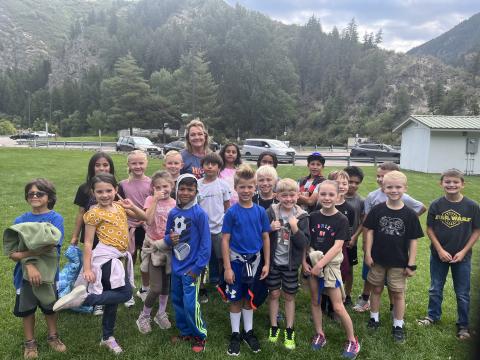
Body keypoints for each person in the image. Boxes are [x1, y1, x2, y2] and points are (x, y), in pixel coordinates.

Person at [53, 173, 147, 354]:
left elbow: (146, 218)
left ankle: (107, 337)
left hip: (117, 259)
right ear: (93, 193)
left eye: (108, 190)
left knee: (112, 300)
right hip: (106, 260)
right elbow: (88, 242)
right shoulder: (93, 213)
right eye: (99, 192)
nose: (104, 195)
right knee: (126, 292)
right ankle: (85, 299)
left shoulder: (120, 207)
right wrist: (87, 268)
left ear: (116, 190)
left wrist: (131, 206)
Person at [353, 161, 426, 313]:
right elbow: (367, 221)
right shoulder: (373, 196)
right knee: (372, 276)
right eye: (378, 176)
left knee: (394, 281)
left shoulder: (403, 196)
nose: (380, 179)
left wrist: (406, 222)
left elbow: (420, 208)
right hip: (375, 245)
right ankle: (365, 299)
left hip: (396, 249)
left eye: (383, 176)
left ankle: (395, 307)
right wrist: (366, 241)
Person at [417, 169, 480, 340]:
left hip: (462, 257)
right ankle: (432, 316)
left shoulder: (472, 206)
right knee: (435, 288)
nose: (451, 185)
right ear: (441, 183)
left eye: (455, 182)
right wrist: (440, 250)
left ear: (462, 184)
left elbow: (476, 230)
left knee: (462, 292)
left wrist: (463, 251)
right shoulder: (436, 205)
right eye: (447, 182)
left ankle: (463, 325)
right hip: (439, 255)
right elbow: (429, 229)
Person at [7, 179, 66, 359]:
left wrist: (24, 254)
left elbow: (52, 246)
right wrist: (30, 264)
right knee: (27, 309)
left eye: (39, 193)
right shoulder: (21, 220)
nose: (34, 196)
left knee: (50, 307)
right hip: (24, 276)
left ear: (49, 197)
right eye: (30, 193)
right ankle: (30, 342)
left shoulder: (55, 219)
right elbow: (12, 252)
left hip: (48, 275)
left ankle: (53, 337)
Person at [363, 171, 424, 343]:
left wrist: (411, 263)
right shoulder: (377, 210)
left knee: (398, 293)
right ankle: (374, 318)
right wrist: (368, 253)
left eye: (398, 187)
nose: (394, 190)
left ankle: (398, 324)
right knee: (376, 289)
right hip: (377, 260)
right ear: (383, 188)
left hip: (399, 262)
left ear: (405, 188)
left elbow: (413, 240)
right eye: (389, 187)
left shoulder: (410, 214)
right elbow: (370, 233)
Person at [304, 180, 360, 359]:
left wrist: (321, 264)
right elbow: (306, 241)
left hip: (330, 267)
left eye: (331, 195)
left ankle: (352, 340)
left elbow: (337, 246)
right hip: (313, 264)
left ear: (338, 196)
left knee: (337, 306)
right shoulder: (312, 216)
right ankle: (320, 334)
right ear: (318, 196)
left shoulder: (341, 219)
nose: (327, 198)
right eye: (323, 194)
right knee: (315, 301)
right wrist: (307, 261)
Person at [222, 164, 270, 356]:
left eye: (250, 186)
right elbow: (225, 240)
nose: (246, 190)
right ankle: (235, 334)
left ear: (255, 187)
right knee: (235, 298)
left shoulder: (260, 212)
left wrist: (266, 263)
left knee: (249, 298)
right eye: (242, 187)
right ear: (236, 187)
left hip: (255, 262)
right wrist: (227, 268)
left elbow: (265, 237)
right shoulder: (231, 213)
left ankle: (248, 332)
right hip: (235, 262)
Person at [164, 174, 211, 353]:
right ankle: (185, 332)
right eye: (182, 189)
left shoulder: (199, 214)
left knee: (191, 304)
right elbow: (166, 238)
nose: (185, 193)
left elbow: (206, 245)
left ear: (196, 192)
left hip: (192, 269)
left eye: (190, 190)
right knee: (177, 301)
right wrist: (170, 238)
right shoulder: (173, 213)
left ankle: (200, 335)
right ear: (177, 190)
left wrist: (197, 268)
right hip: (177, 266)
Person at [70, 152, 116, 316]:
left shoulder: (116, 187)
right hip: (91, 236)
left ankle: (110, 296)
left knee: (109, 268)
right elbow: (81, 213)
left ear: (110, 167)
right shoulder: (84, 189)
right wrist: (75, 235)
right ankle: (97, 300)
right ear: (92, 167)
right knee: (93, 266)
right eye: (98, 165)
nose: (102, 168)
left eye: (105, 165)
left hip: (110, 236)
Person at [266, 178, 309, 350]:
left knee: (289, 296)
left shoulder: (302, 216)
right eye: (284, 195)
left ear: (298, 196)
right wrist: (269, 228)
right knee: (274, 294)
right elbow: (263, 237)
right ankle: (274, 326)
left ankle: (289, 329)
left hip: (291, 265)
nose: (289, 199)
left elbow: (305, 243)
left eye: (292, 195)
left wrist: (295, 228)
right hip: (274, 263)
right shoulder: (271, 212)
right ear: (277, 196)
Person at [136, 171, 177, 334]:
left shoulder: (175, 203)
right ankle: (143, 316)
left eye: (165, 186)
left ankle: (161, 313)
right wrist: (155, 200)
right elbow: (149, 220)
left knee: (166, 285)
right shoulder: (150, 200)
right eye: (158, 187)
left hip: (168, 248)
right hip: (153, 248)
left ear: (171, 186)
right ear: (153, 188)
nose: (162, 190)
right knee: (156, 287)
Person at [118, 150, 152, 306]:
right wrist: (137, 216)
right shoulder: (123, 185)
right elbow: (119, 206)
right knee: (128, 259)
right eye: (134, 163)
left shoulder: (152, 183)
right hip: (129, 227)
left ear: (146, 163)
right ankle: (126, 292)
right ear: (128, 165)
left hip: (147, 228)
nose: (138, 166)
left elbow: (153, 206)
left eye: (141, 162)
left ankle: (145, 289)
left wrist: (144, 218)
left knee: (146, 259)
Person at [198, 152, 231, 303]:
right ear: (202, 166)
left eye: (214, 164)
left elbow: (226, 206)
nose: (210, 167)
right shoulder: (197, 185)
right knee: (202, 261)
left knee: (221, 258)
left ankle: (224, 284)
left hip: (219, 230)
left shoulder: (223, 185)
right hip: (201, 231)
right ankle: (201, 288)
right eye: (207, 164)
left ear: (219, 167)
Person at [343, 166, 365, 306]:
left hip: (351, 241)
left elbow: (363, 222)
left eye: (357, 183)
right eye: (350, 181)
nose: (353, 185)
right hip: (334, 241)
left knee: (349, 269)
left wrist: (355, 237)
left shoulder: (361, 201)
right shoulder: (335, 197)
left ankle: (348, 295)